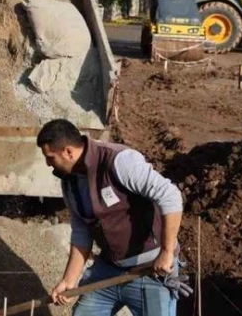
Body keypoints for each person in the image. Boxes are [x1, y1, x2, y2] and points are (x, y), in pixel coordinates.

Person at [37, 119, 186, 315]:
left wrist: (167, 252)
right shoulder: (69, 183)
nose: (48, 164)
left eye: (50, 157)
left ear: (68, 151)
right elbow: (82, 230)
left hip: (151, 272)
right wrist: (69, 280)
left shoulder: (118, 161)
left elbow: (170, 195)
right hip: (108, 271)